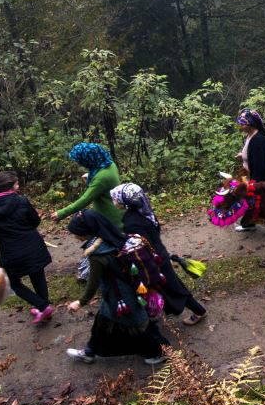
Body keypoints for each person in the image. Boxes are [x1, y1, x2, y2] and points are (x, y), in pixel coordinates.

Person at [64, 210, 168, 365]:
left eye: (77, 233)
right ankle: (89, 351)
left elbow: (92, 284)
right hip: (129, 289)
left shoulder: (98, 255)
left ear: (87, 232)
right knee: (104, 321)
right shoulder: (115, 236)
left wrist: (80, 302)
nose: (76, 237)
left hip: (120, 297)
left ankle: (155, 354)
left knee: (136, 326)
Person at [111, 182, 207, 326]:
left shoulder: (131, 221)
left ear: (125, 201)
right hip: (159, 253)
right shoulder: (144, 212)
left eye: (116, 199)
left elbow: (141, 244)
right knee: (171, 286)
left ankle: (199, 311)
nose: (114, 201)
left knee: (173, 288)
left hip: (153, 260)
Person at [0, 171, 53, 324]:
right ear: (10, 187)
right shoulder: (21, 201)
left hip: (12, 254)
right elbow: (35, 221)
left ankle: (43, 307)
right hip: (34, 247)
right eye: (17, 183)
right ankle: (44, 307)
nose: (18, 186)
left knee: (14, 282)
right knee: (37, 275)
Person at [52, 143, 123, 227]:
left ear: (88, 160)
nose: (79, 164)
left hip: (111, 219)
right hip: (116, 212)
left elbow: (85, 199)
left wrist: (62, 213)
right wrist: (90, 176)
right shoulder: (109, 164)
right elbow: (105, 179)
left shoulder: (101, 178)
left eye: (80, 161)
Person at [234, 109, 265, 232]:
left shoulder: (258, 140)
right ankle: (250, 223)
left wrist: (253, 184)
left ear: (251, 123)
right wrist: (243, 155)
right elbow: (252, 153)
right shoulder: (250, 136)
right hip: (249, 174)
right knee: (254, 201)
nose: (241, 125)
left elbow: (259, 164)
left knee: (255, 200)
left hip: (257, 176)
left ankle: (249, 223)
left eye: (243, 123)